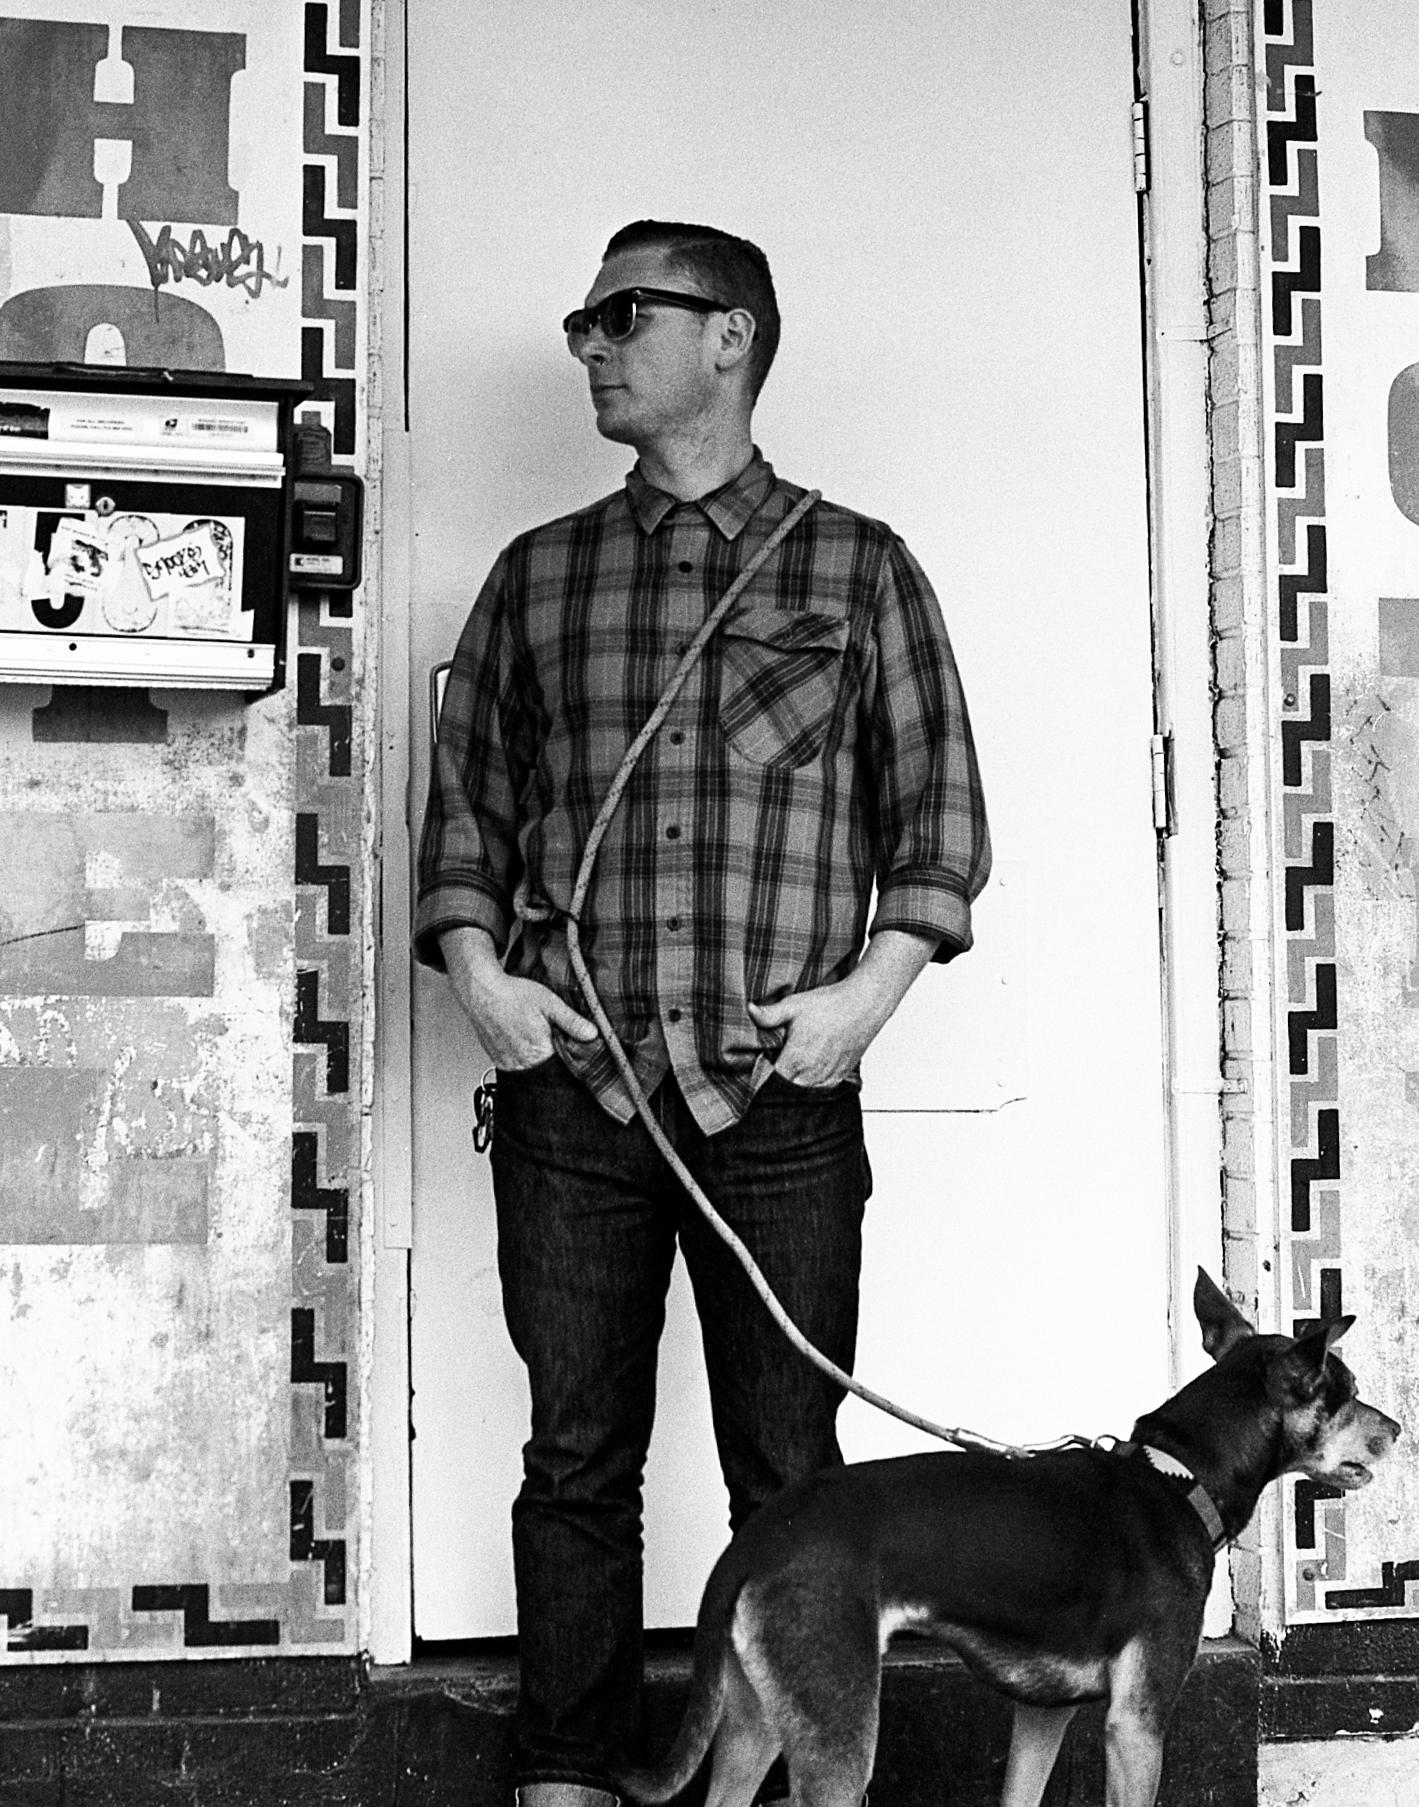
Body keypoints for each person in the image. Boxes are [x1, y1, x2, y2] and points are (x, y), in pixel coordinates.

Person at [414, 220, 991, 1807]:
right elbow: (465, 809)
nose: (590, 345)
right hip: (574, 1096)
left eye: (622, 315)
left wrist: (866, 997)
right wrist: (480, 977)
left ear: (728, 336)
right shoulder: (537, 573)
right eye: (581, 323)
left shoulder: (855, 565)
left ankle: (794, 1781)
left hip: (774, 1104)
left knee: (790, 1475)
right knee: (574, 1462)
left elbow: (936, 815)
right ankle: (566, 1773)